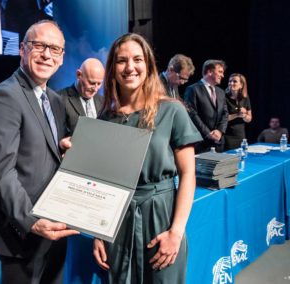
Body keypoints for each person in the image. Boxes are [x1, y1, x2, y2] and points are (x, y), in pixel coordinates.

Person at [92, 33, 202, 284]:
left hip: (161, 219)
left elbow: (188, 175)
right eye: (121, 61)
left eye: (137, 59)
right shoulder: (105, 118)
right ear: (112, 68)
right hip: (118, 223)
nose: (130, 67)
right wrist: (98, 233)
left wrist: (176, 232)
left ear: (148, 65)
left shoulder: (172, 110)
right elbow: (103, 181)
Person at [0, 20, 79, 284]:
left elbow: (38, 148)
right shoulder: (3, 97)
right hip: (22, 230)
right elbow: (0, 174)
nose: (47, 54)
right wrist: (32, 221)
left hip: (53, 224)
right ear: (22, 49)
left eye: (55, 49)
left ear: (61, 58)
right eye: (39, 46)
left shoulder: (54, 100)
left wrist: (62, 147)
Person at [184, 59, 228, 153]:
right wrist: (208, 133)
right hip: (201, 143)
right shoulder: (192, 89)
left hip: (218, 142)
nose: (222, 75)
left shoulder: (221, 92)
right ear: (209, 72)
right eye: (220, 72)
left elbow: (225, 114)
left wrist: (220, 131)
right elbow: (192, 114)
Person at [58, 58, 105, 134]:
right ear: (79, 75)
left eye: (99, 84)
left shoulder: (103, 102)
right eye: (92, 83)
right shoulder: (59, 99)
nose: (96, 89)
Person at [224, 73, 252, 150]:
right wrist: (237, 115)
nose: (231, 83)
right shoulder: (223, 97)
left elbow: (249, 119)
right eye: (230, 81)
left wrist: (244, 115)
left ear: (241, 85)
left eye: (235, 81)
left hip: (240, 135)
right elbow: (223, 118)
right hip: (227, 135)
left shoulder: (245, 97)